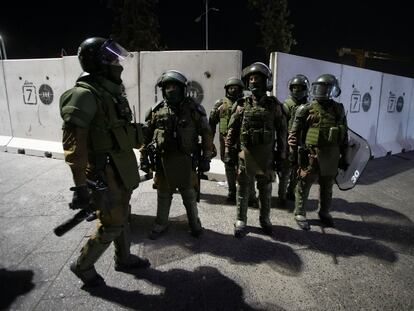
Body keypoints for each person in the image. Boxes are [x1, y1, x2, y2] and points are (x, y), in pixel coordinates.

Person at [59, 37, 150, 287]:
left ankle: (124, 258)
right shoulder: (83, 96)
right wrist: (80, 186)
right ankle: (82, 266)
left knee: (122, 216)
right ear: (97, 64)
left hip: (121, 169)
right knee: (112, 223)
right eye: (111, 58)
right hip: (103, 172)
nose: (117, 63)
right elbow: (74, 148)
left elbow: (119, 130)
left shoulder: (111, 94)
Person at [140, 70, 214, 240]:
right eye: (167, 87)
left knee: (188, 192)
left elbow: (207, 134)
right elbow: (145, 136)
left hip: (186, 160)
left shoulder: (194, 109)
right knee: (163, 192)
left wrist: (206, 158)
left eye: (174, 86)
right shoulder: (156, 111)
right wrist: (143, 158)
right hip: (163, 159)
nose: (170, 90)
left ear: (182, 89)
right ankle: (161, 223)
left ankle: (194, 224)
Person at [225, 62, 287, 238]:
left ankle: (265, 219)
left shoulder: (274, 105)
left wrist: (282, 155)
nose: (254, 82)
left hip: (266, 156)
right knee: (243, 188)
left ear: (265, 81)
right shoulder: (241, 105)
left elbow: (282, 132)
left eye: (258, 78)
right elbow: (232, 130)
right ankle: (241, 219)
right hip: (246, 154)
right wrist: (229, 151)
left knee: (265, 190)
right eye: (251, 78)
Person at [288, 74, 349, 230]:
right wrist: (292, 154)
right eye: (320, 88)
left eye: (327, 88)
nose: (322, 91)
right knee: (304, 183)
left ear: (334, 90)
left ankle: (324, 212)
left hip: (332, 154)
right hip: (311, 154)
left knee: (327, 186)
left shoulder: (338, 109)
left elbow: (344, 135)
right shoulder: (305, 109)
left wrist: (345, 157)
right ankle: (300, 212)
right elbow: (293, 134)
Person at [208, 77, 258, 206]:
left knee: (247, 167)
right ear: (226, 89)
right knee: (229, 166)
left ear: (241, 90)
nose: (233, 90)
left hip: (243, 140)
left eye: (236, 88)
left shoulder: (246, 103)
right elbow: (211, 124)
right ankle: (231, 192)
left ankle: (251, 194)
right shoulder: (220, 104)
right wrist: (209, 141)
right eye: (231, 88)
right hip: (225, 140)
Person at [277, 74, 310, 206]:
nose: (296, 90)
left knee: (297, 171)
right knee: (285, 171)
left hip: (303, 143)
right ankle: (282, 196)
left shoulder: (308, 105)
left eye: (299, 87)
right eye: (294, 87)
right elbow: (281, 126)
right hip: (288, 142)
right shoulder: (287, 104)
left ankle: (291, 191)